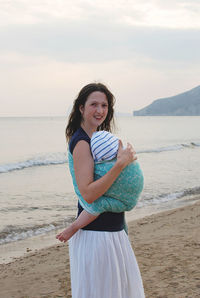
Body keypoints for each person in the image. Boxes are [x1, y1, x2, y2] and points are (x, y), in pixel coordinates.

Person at [56, 83, 145, 297]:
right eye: (93, 104)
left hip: (110, 230)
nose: (100, 110)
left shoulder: (98, 139)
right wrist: (120, 164)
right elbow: (88, 193)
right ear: (81, 108)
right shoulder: (82, 143)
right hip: (97, 235)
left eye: (104, 105)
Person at [56, 130, 144, 242]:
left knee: (98, 205)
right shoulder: (82, 142)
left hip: (124, 204)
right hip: (133, 195)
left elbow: (89, 197)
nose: (100, 111)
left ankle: (73, 227)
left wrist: (120, 164)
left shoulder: (102, 166)